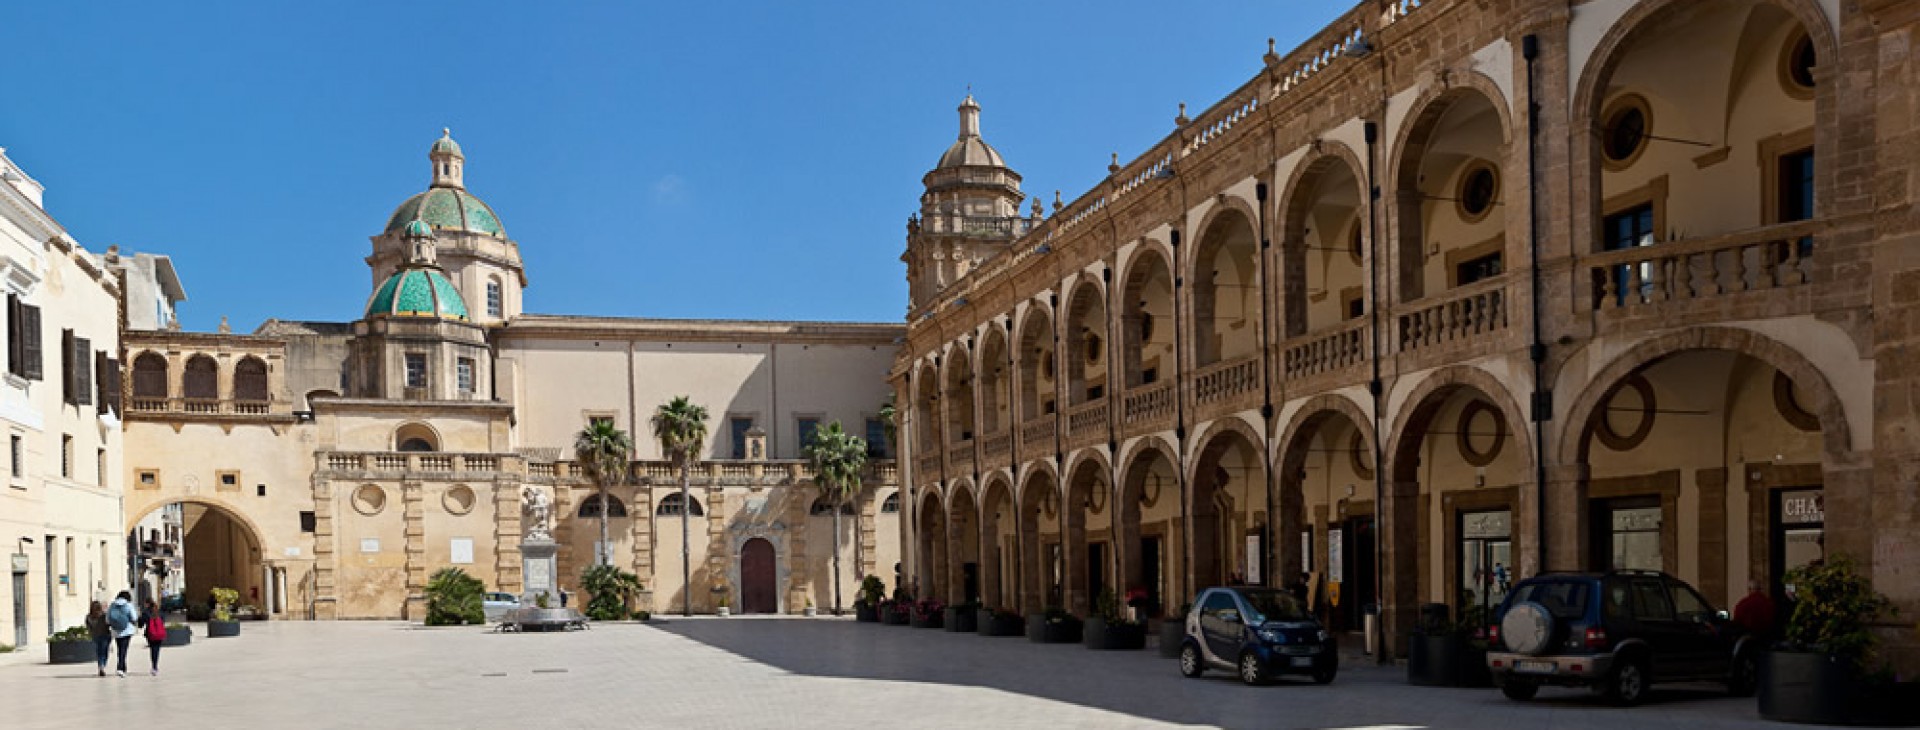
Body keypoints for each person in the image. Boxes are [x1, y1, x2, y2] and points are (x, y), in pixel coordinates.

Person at [106, 591, 137, 678]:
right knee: (124, 649)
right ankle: (120, 668)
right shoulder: (128, 605)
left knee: (120, 649)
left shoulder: (112, 605)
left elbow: (107, 618)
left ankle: (123, 667)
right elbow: (134, 617)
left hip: (116, 630)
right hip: (127, 630)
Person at [139, 600, 167, 676]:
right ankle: (155, 666)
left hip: (150, 634)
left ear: (147, 604)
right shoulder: (160, 612)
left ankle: (154, 667)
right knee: (157, 650)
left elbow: (141, 624)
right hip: (159, 634)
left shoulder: (146, 613)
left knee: (152, 649)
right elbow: (163, 622)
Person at [85, 601, 111, 677]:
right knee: (105, 652)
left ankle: (101, 666)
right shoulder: (104, 615)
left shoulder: (89, 617)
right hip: (105, 635)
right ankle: (103, 666)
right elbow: (109, 624)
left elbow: (88, 627)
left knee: (99, 652)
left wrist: (91, 634)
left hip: (96, 636)